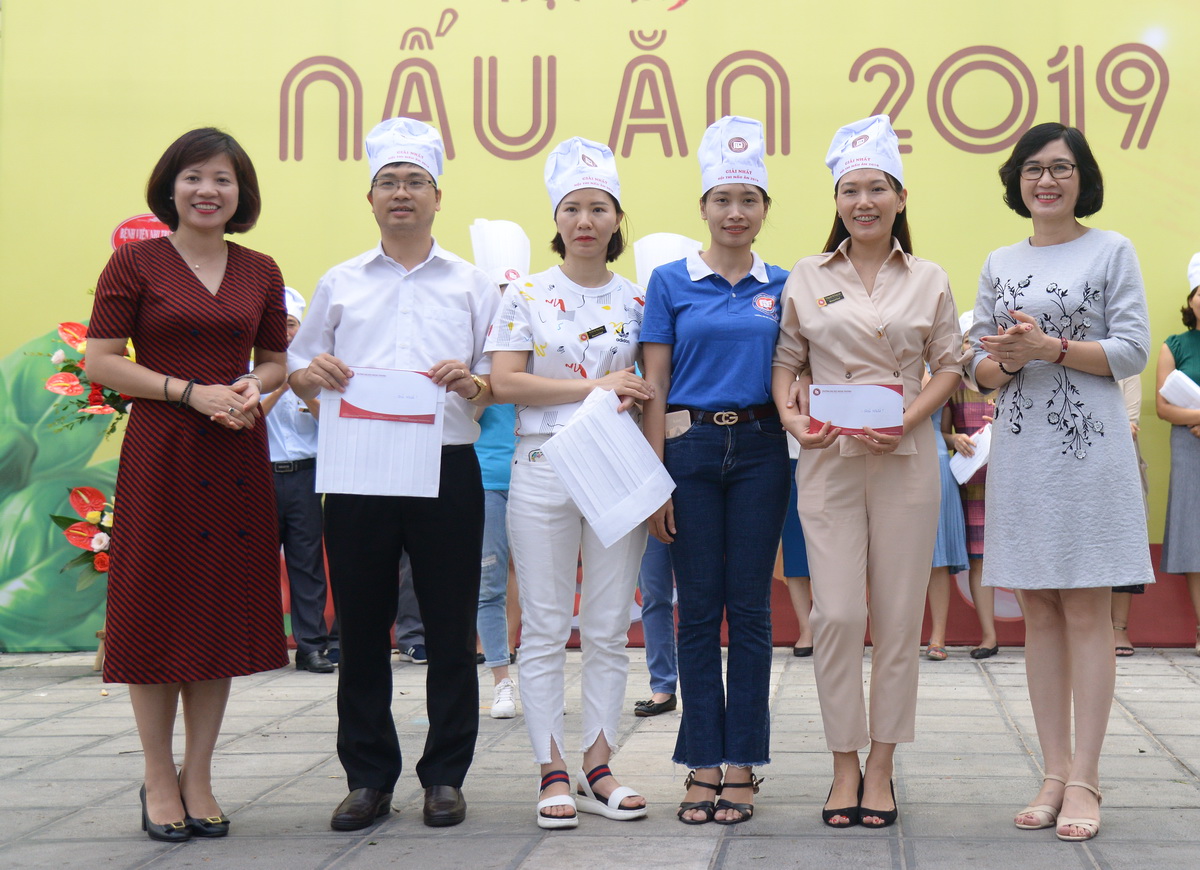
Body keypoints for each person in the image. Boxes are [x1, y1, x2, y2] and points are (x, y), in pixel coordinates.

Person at [289, 117, 500, 831]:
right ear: (371, 198)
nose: (401, 193)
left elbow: (497, 377)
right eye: (389, 182)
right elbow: (299, 369)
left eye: (415, 182)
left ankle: (444, 776)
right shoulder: (340, 282)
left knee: (450, 628)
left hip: (446, 467)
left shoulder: (472, 284)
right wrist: (311, 375)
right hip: (358, 470)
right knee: (359, 627)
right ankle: (368, 778)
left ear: (438, 196)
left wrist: (473, 384)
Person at [84, 127, 289, 841]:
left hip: (235, 451)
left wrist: (252, 387)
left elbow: (275, 360)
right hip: (163, 453)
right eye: (194, 177)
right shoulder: (134, 262)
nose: (208, 190)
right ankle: (157, 776)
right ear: (170, 187)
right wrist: (188, 392)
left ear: (241, 193)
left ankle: (198, 775)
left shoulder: (260, 269)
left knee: (217, 611)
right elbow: (101, 360)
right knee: (156, 608)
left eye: (223, 179)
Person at [773, 115, 967, 829]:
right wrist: (790, 416)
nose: (864, 202)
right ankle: (842, 763)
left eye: (877, 188)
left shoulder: (929, 278)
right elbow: (787, 361)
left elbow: (949, 366)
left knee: (896, 616)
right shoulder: (808, 275)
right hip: (827, 460)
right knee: (838, 615)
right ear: (836, 200)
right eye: (850, 190)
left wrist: (908, 419)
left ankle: (881, 765)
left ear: (900, 197)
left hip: (906, 462)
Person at [969, 122, 1152, 842]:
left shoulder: (1112, 250)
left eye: (1061, 168)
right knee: (1039, 611)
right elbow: (978, 368)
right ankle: (1052, 771)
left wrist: (1052, 347)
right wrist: (1010, 359)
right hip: (1021, 452)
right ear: (1017, 181)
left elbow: (1131, 351)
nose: (1046, 180)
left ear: (1083, 179)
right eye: (1034, 169)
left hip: (1089, 452)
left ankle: (1086, 778)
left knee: (1085, 610)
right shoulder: (998, 260)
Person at [487, 136, 650, 829]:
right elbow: (504, 382)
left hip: (615, 464)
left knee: (609, 626)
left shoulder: (640, 299)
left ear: (617, 219)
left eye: (599, 208)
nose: (585, 221)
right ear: (556, 218)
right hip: (543, 464)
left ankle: (599, 765)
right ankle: (551, 767)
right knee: (547, 625)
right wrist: (596, 387)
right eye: (573, 208)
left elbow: (651, 385)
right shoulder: (524, 294)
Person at [643, 116, 791, 826]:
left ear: (764, 209)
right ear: (702, 207)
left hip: (762, 449)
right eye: (723, 199)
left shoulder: (785, 285)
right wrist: (654, 479)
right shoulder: (670, 282)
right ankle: (702, 759)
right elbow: (655, 384)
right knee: (698, 608)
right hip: (690, 450)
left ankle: (743, 762)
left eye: (748, 200)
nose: (736, 212)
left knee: (752, 611)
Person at [261, 287, 333, 674]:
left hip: (306, 475)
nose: (284, 331)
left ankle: (311, 646)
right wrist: (281, 383)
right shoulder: (252, 369)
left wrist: (304, 387)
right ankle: (264, 645)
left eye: (290, 324)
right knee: (258, 564)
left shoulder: (315, 371)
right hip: (261, 476)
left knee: (307, 564)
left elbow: (332, 424)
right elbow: (249, 416)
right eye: (277, 324)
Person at [944, 318, 1000, 658]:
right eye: (968, 340)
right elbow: (941, 433)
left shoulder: (1013, 382)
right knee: (979, 561)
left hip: (1011, 485)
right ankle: (989, 636)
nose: (975, 346)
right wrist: (955, 440)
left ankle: (1040, 633)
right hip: (974, 485)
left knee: (1019, 559)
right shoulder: (955, 386)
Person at [1155, 254, 1200, 658]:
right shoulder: (1174, 345)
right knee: (1193, 537)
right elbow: (1164, 407)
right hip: (1189, 448)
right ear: (1191, 300)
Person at [924, 398, 970, 661]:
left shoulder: (939, 373)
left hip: (935, 460)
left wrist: (953, 440)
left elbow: (938, 423)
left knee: (937, 557)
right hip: (888, 461)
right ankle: (891, 637)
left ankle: (937, 638)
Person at [1113, 374, 1150, 657]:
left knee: (1123, 544)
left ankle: (1119, 628)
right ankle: (1085, 627)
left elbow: (1130, 424)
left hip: (1119, 466)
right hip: (1072, 463)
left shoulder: (1125, 365)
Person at [781, 433, 814, 657]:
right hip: (790, 457)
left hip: (838, 459)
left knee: (838, 553)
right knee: (794, 548)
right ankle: (806, 629)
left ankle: (838, 627)